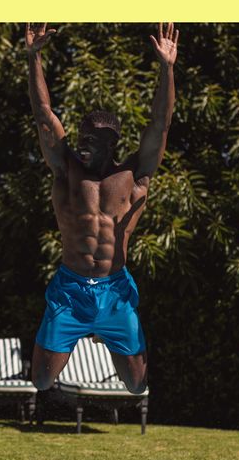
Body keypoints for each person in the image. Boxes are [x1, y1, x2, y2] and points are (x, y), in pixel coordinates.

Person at [25, 23, 178, 394]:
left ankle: (104, 331)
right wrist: (33, 57)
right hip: (70, 289)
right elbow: (44, 114)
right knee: (41, 381)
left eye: (92, 140)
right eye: (81, 136)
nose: (82, 144)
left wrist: (167, 68)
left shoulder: (133, 176)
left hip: (115, 290)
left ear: (112, 144)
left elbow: (160, 124)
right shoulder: (67, 170)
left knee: (137, 385)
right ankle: (81, 329)